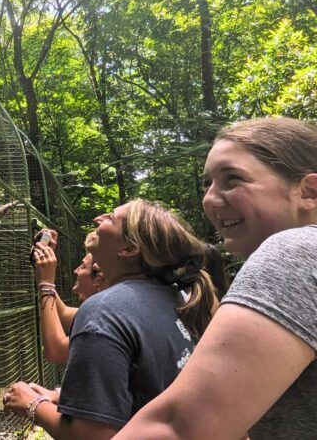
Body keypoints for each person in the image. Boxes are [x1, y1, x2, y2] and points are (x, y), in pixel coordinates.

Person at [114, 117, 317, 439]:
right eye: (207, 184)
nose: (208, 199)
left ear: (309, 192)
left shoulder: (296, 252)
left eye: (232, 179)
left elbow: (178, 427)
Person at [3, 199, 218, 439]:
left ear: (128, 249)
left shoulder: (104, 312)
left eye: (111, 218)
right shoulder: (171, 297)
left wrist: (32, 404)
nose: (99, 218)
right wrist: (44, 275)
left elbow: (92, 435)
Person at [38, 231, 105, 363]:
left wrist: (46, 283)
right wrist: (42, 267)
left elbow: (56, 351)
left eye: (82, 266)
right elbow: (62, 312)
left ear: (99, 278)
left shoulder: (102, 316)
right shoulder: (101, 308)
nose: (76, 270)